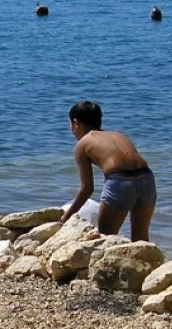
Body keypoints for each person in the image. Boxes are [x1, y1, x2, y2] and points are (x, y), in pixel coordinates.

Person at [59, 100, 156, 242]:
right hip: (146, 178)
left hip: (121, 182)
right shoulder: (118, 135)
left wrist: (65, 218)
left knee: (106, 240)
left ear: (75, 123)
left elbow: (87, 188)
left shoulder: (83, 144)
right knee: (141, 238)